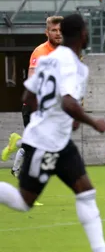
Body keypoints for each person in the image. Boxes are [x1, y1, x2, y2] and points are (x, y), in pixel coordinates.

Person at [0, 13, 105, 252]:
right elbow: (69, 103)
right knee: (23, 201)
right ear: (82, 34)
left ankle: (101, 249)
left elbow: (28, 97)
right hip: (46, 143)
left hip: (60, 142)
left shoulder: (47, 60)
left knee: (86, 192)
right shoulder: (74, 65)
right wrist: (94, 123)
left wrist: (51, 115)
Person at [1, 16, 63, 206]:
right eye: (54, 30)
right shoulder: (40, 51)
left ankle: (17, 143)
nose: (58, 33)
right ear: (47, 33)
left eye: (60, 30)